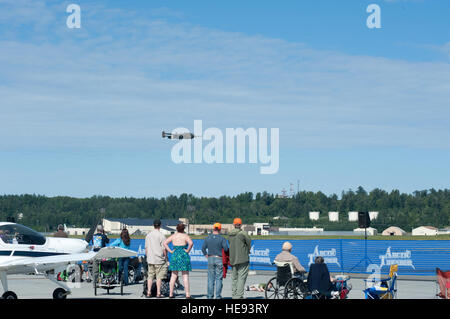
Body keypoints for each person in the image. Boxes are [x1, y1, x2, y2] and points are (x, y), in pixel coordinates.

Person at [164, 223, 194, 299]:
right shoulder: (185, 236)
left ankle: (170, 294)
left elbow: (165, 243)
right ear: (183, 229)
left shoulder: (173, 236)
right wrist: (187, 250)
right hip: (183, 255)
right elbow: (191, 243)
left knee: (173, 275)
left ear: (177, 229)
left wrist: (170, 251)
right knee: (185, 275)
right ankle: (187, 294)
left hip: (175, 255)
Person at [202, 222, 229, 299]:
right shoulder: (222, 238)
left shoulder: (207, 238)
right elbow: (226, 249)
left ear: (213, 228)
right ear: (220, 229)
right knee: (219, 279)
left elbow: (203, 248)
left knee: (210, 279)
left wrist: (206, 255)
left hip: (210, 258)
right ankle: (218, 296)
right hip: (219, 258)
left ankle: (210, 296)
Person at [228, 218, 251, 299]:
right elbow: (249, 242)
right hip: (243, 258)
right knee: (241, 277)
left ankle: (234, 295)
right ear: (241, 224)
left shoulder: (230, 234)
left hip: (233, 258)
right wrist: (248, 250)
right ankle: (239, 296)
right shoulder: (243, 233)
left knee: (234, 278)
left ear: (233, 224)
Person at [145, 219, 168, 298]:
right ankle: (158, 293)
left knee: (150, 276)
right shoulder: (162, 236)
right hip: (159, 259)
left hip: (150, 259)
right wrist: (166, 258)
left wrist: (147, 257)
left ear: (153, 225)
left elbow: (146, 248)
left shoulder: (148, 235)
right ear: (160, 225)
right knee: (159, 277)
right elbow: (164, 249)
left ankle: (148, 292)